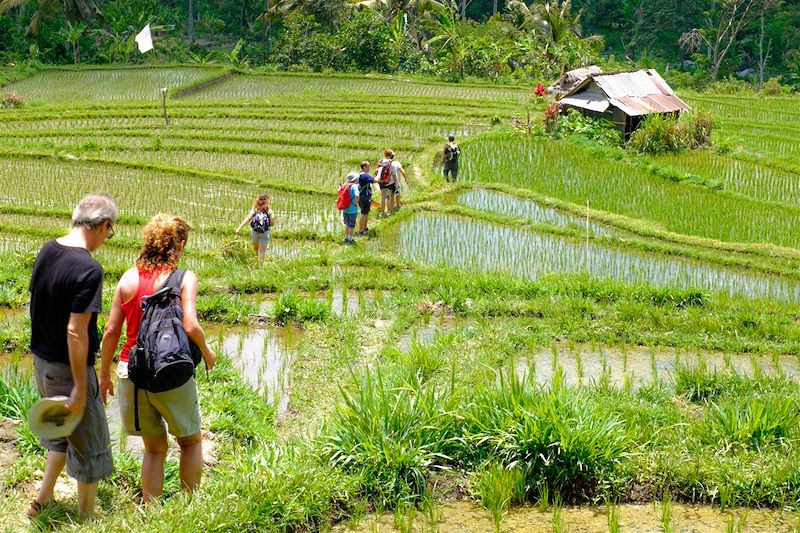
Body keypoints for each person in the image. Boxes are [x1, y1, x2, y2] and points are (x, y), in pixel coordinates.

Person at [100, 214, 217, 503]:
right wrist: (206, 350)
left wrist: (104, 375)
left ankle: (152, 510)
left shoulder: (128, 278)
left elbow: (112, 331)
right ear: (179, 245)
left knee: (153, 448)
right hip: (170, 369)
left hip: (132, 370)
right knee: (190, 441)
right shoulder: (184, 278)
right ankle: (189, 506)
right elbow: (190, 325)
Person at [28, 193, 117, 519]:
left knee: (62, 434)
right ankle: (87, 518)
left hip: (42, 363)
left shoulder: (48, 249)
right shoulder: (88, 269)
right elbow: (76, 331)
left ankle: (43, 499)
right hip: (68, 369)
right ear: (104, 225)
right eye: (110, 232)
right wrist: (81, 386)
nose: (107, 239)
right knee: (91, 445)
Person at [235, 194, 275, 266]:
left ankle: (255, 263)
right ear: (268, 200)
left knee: (255, 248)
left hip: (254, 232)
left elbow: (248, 218)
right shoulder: (270, 211)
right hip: (265, 232)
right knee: (262, 251)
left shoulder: (255, 209)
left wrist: (239, 227)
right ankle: (260, 267)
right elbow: (272, 224)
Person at [357, 161, 376, 236]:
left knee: (366, 213)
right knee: (364, 214)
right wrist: (380, 172)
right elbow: (375, 180)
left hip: (361, 196)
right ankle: (361, 231)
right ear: (364, 167)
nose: (369, 168)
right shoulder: (364, 176)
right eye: (368, 166)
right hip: (364, 197)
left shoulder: (359, 174)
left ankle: (365, 227)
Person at [340, 172, 359, 245]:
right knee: (351, 225)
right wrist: (355, 202)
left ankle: (346, 238)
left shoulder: (345, 185)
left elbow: (339, 192)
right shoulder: (354, 186)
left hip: (345, 208)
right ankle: (350, 239)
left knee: (347, 224)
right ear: (355, 179)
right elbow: (357, 195)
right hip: (352, 209)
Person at [375, 150, 395, 216]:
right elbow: (394, 174)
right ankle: (391, 211)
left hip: (382, 182)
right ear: (391, 155)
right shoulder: (391, 162)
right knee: (391, 197)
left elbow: (376, 171)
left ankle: (383, 212)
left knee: (383, 197)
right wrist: (396, 183)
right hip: (390, 182)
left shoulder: (380, 162)